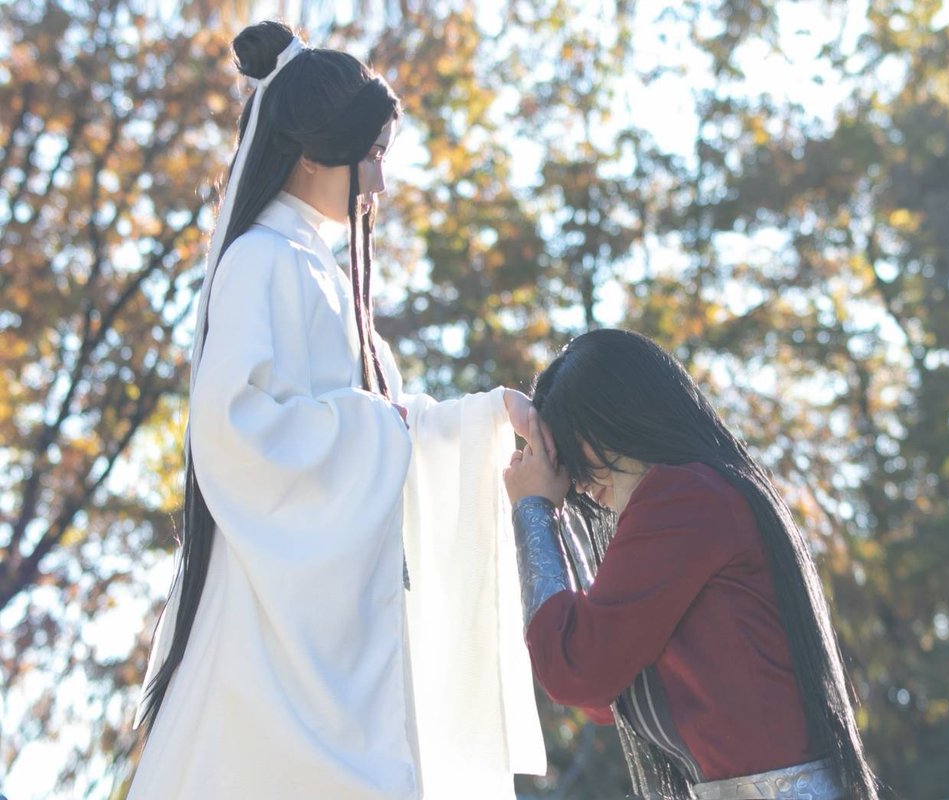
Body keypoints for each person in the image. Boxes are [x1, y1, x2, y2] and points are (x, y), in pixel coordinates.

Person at [130, 21, 544, 799]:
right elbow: (234, 430)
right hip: (273, 633)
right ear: (315, 153)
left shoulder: (314, 268)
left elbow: (387, 419)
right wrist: (383, 429)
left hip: (338, 622)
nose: (380, 183)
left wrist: (487, 417)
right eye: (374, 155)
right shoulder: (260, 260)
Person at [502, 329, 881, 800]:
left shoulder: (683, 499)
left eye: (574, 445)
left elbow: (576, 668)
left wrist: (534, 509)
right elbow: (602, 688)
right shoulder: (701, 496)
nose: (576, 480)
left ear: (619, 415)